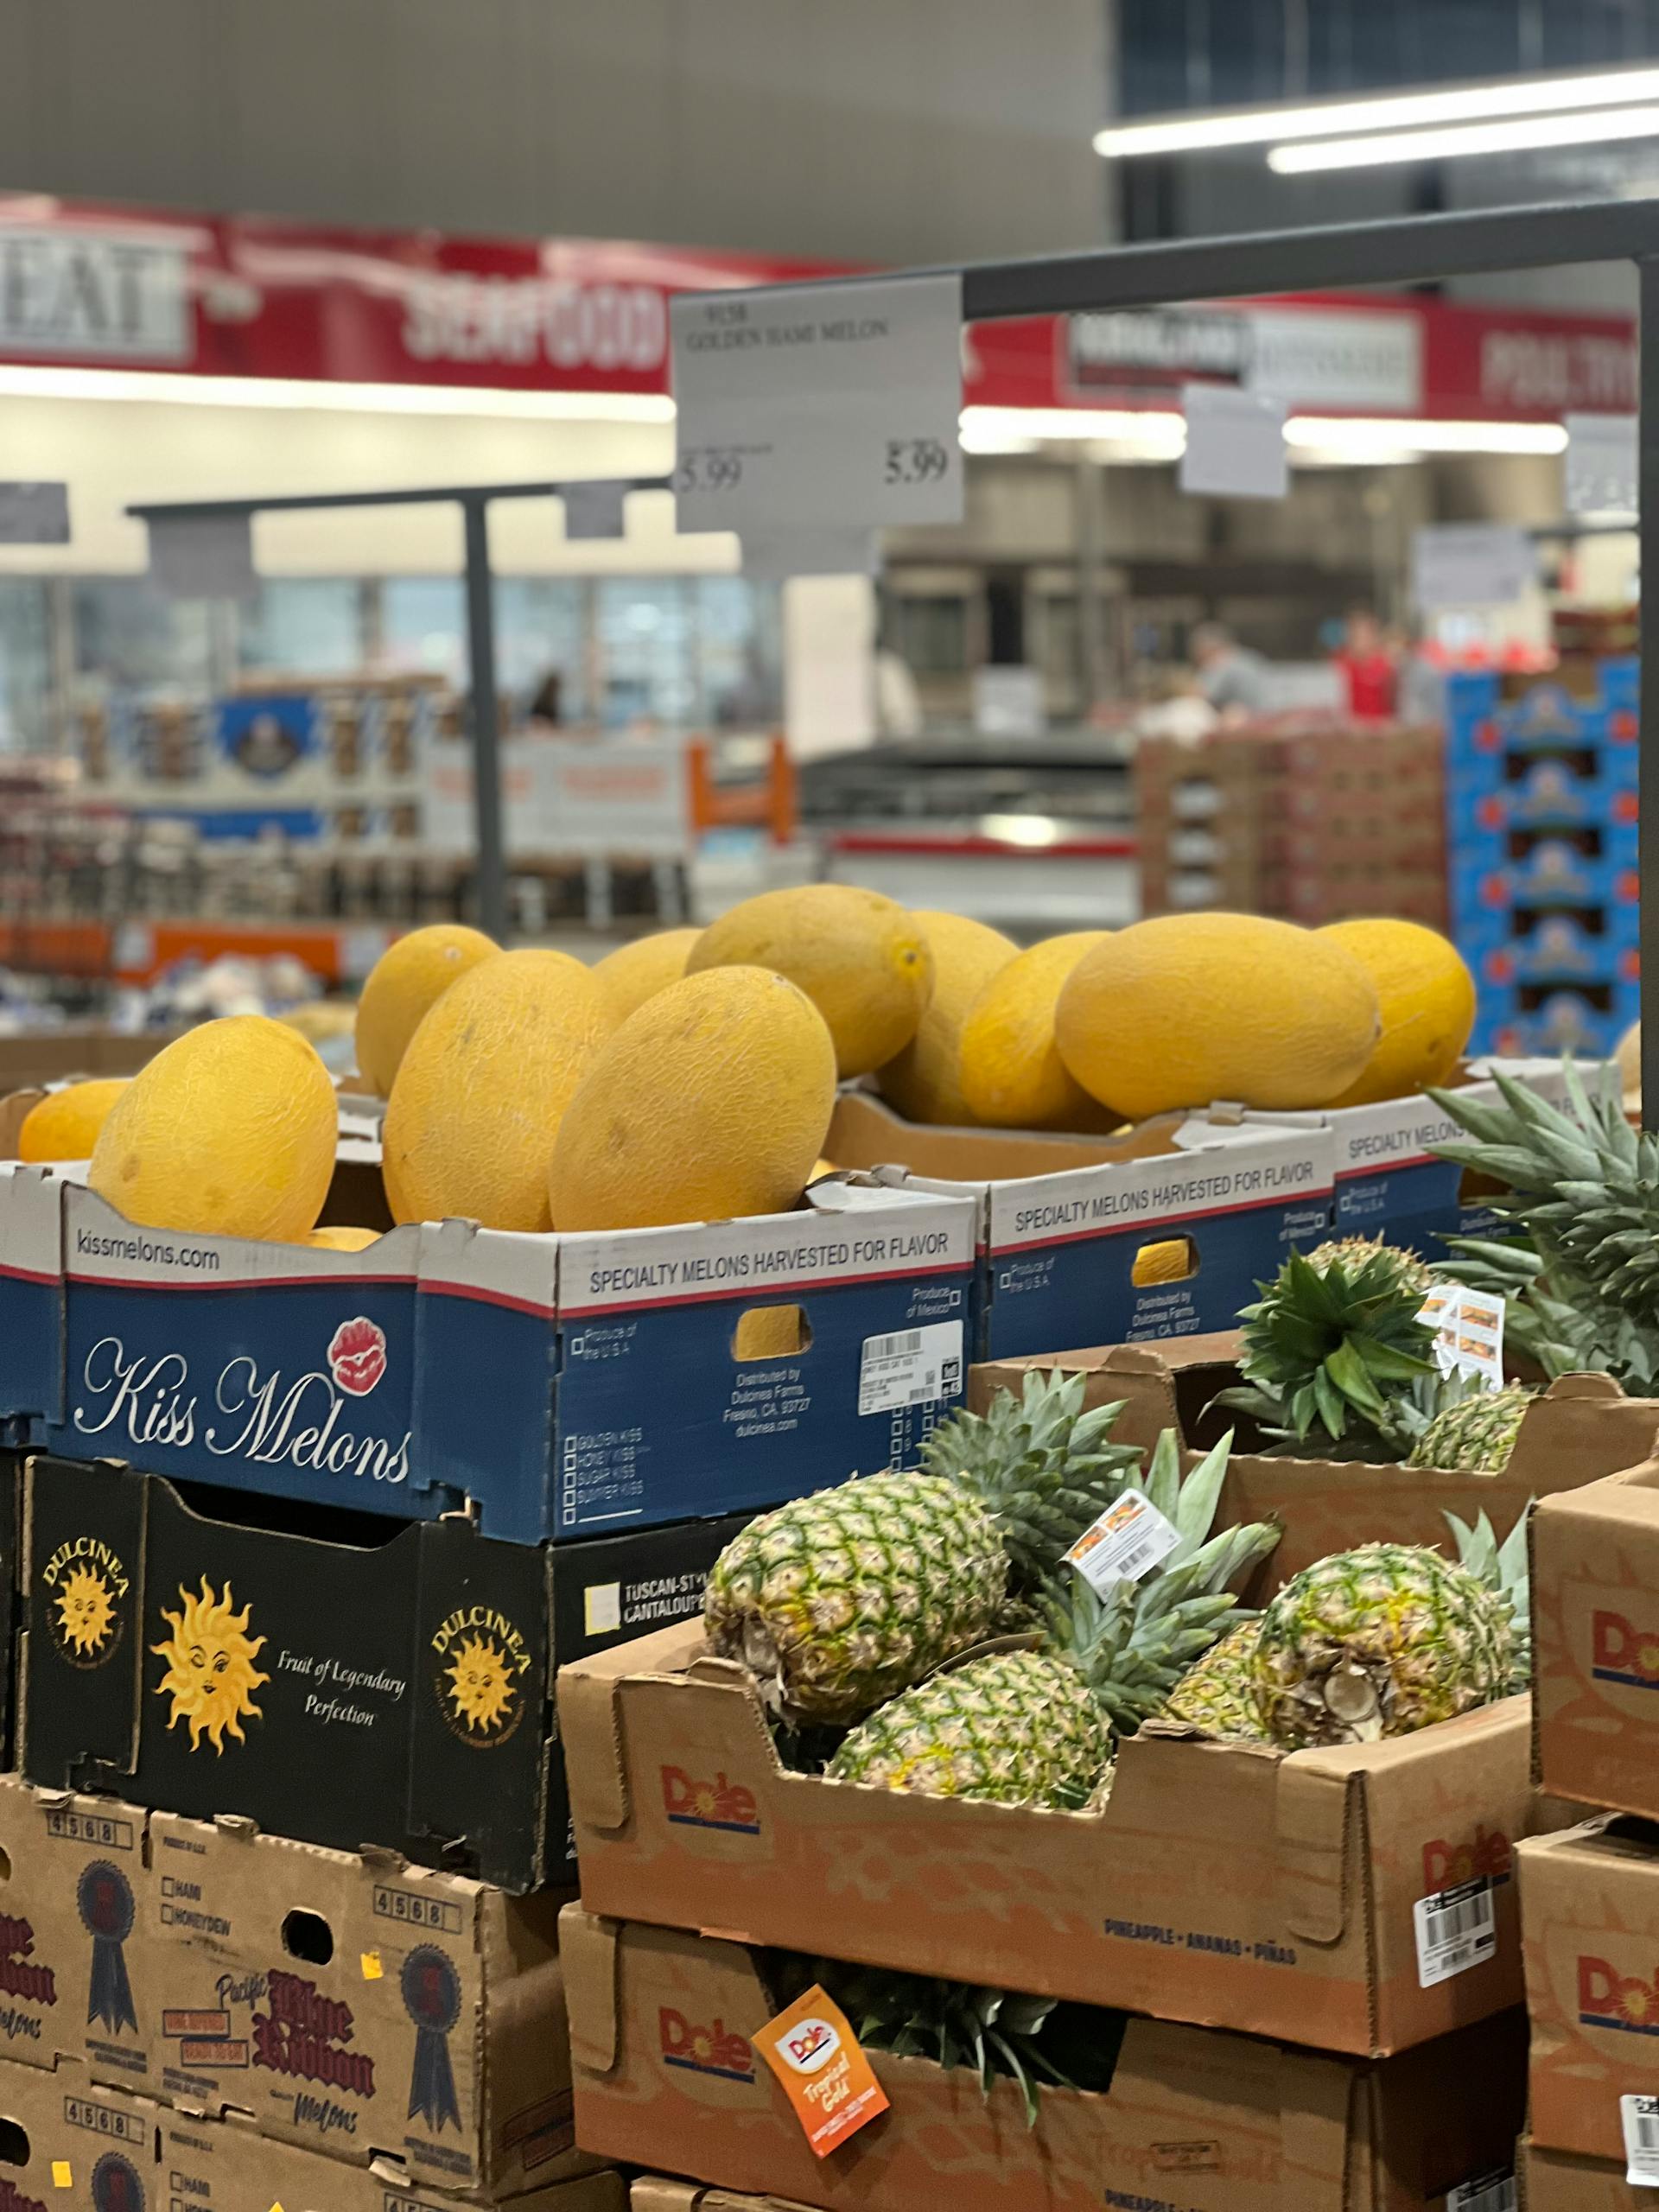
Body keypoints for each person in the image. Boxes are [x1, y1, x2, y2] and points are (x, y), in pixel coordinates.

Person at [1190, 621, 1270, 716]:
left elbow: (1199, 694)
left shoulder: (1220, 660)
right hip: (1271, 715)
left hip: (1247, 720)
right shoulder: (1251, 657)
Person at [1334, 608, 1398, 721]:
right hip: (1351, 727)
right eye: (1355, 636)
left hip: (1380, 726)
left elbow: (1393, 701)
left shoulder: (1385, 663)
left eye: (1365, 635)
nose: (1360, 640)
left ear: (1374, 636)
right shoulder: (1342, 662)